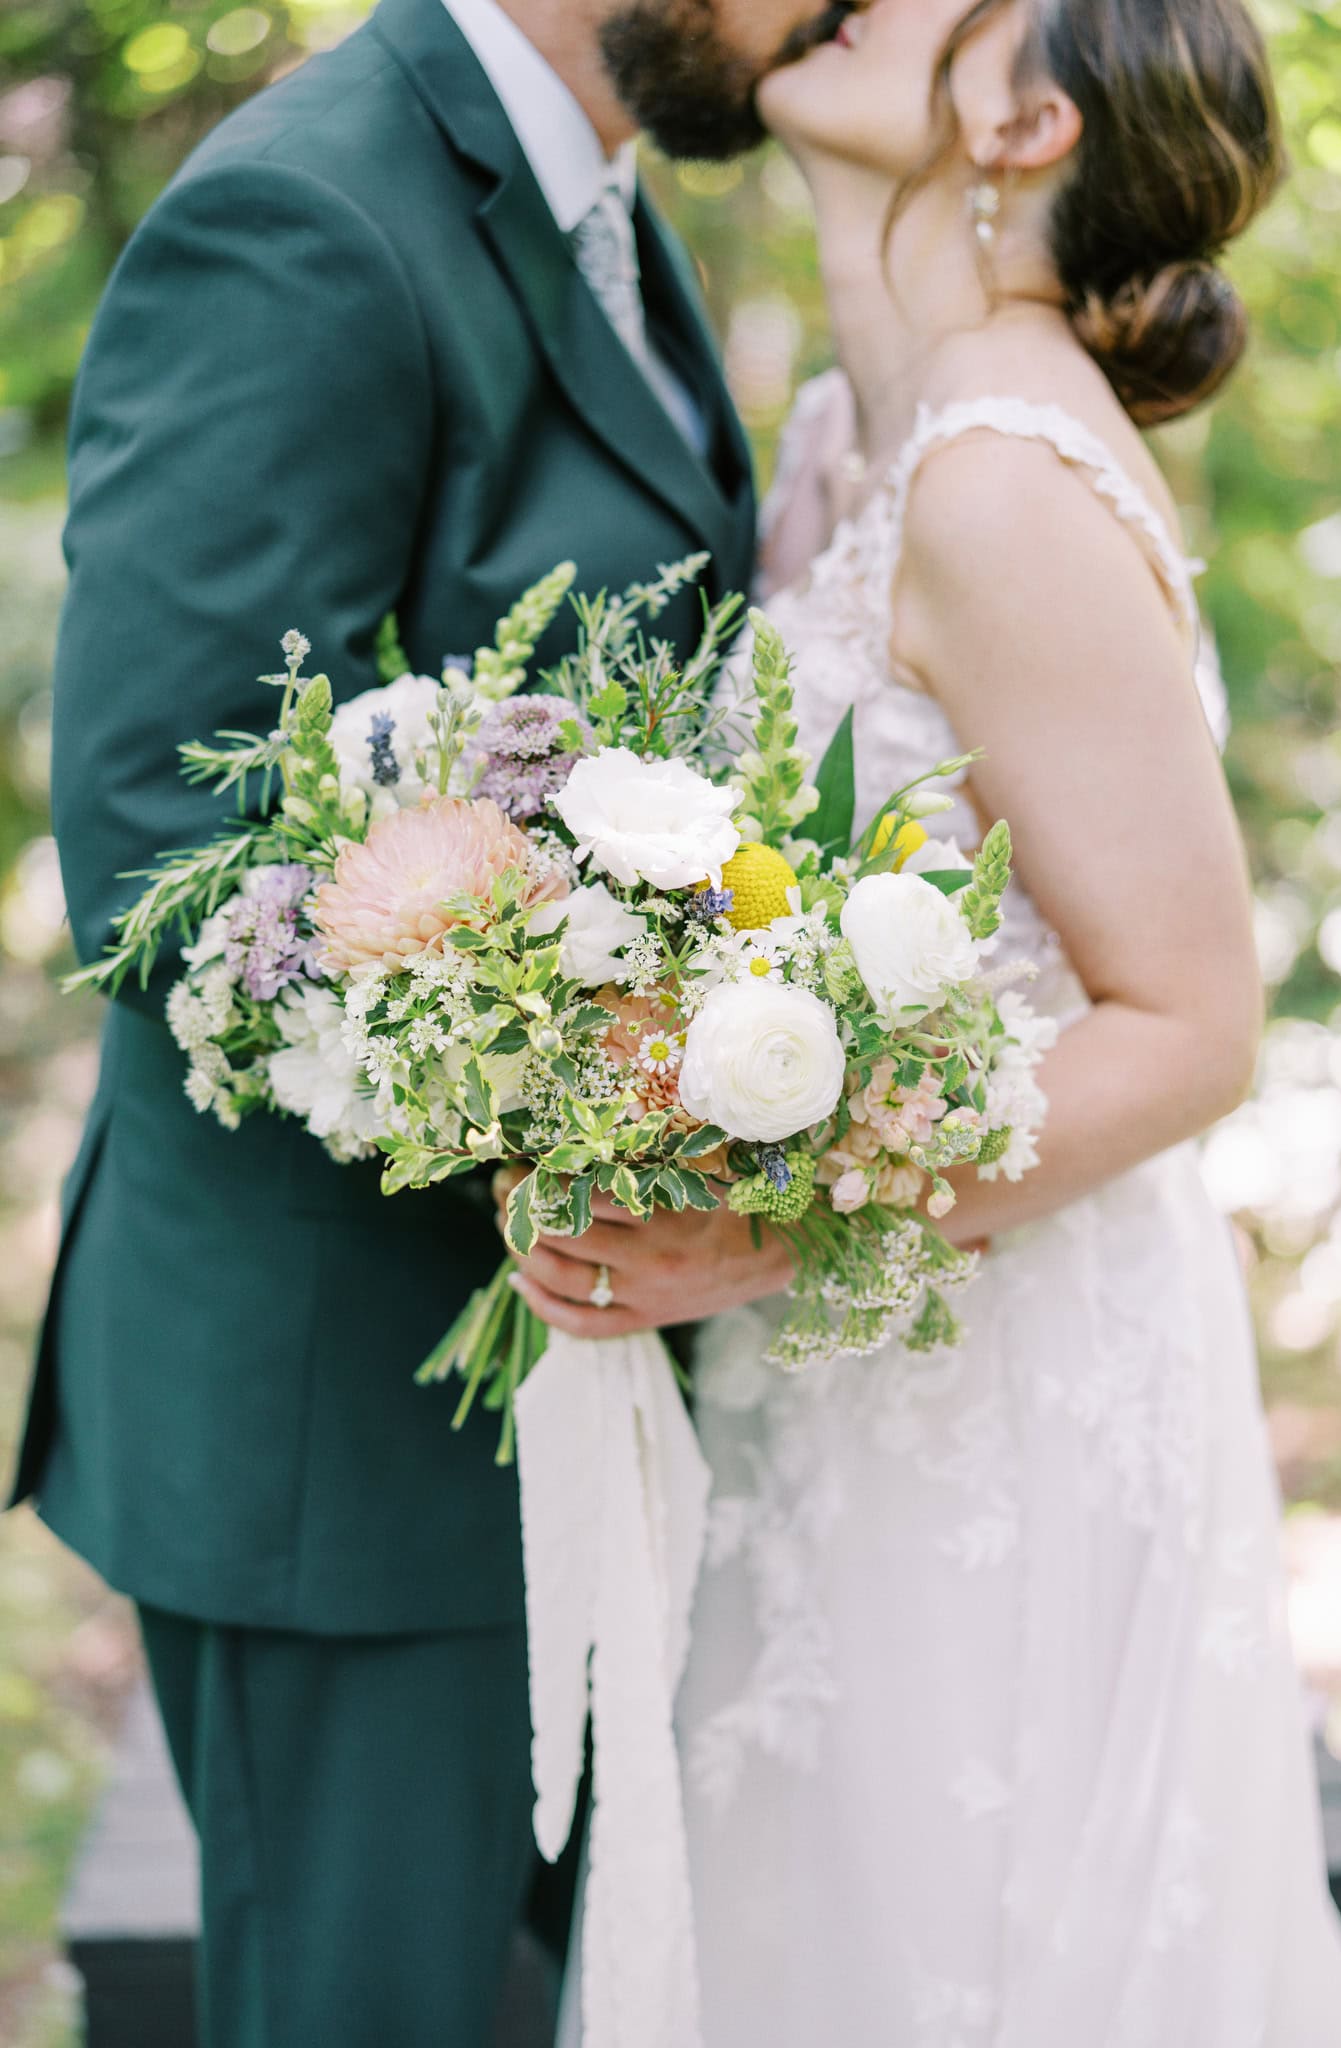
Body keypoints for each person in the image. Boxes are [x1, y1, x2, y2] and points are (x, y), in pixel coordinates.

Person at [529, 0, 1341, 2040]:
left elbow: (1190, 1024)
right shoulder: (860, 428)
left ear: (1022, 117)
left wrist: (773, 1229)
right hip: (851, 1354)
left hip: (1001, 1364)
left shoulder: (999, 479)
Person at [5, 1, 836, 2041]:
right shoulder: (306, 217)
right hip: (346, 1423)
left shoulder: (605, 204)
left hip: (567, 1383)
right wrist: (578, 1087)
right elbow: (160, 841)